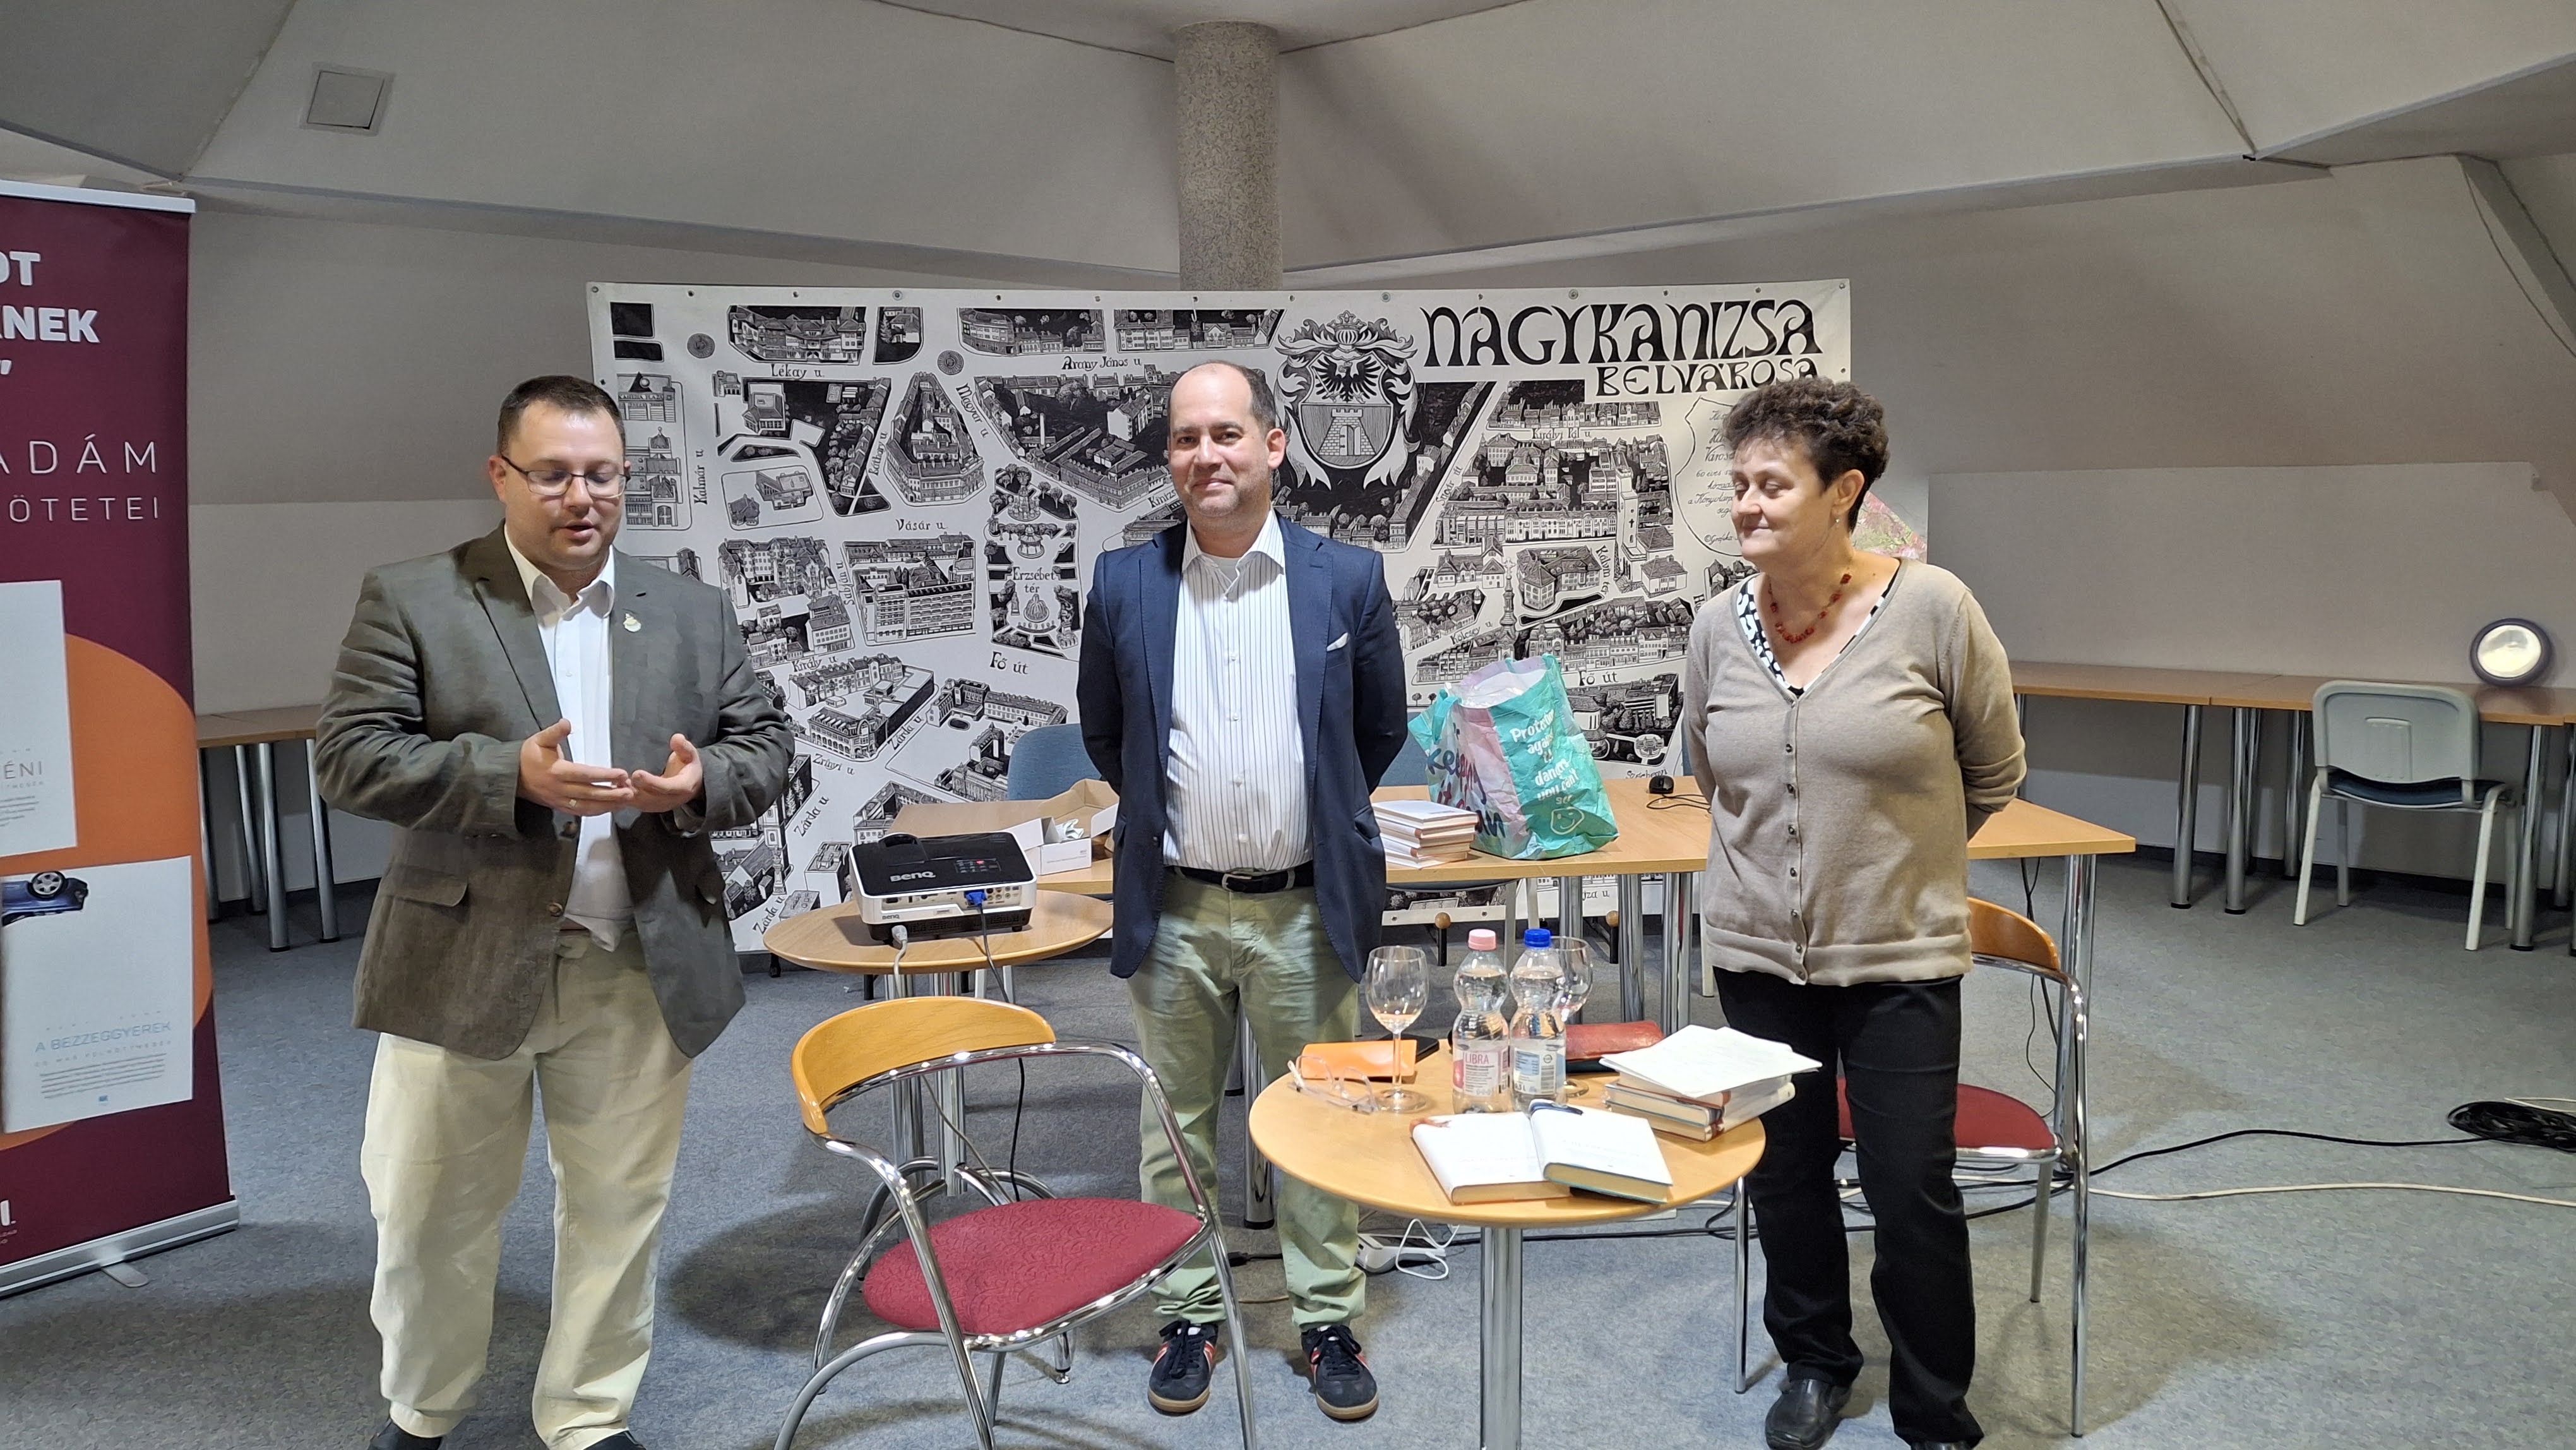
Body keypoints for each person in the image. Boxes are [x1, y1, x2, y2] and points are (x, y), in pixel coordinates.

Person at [316, 376, 792, 1450]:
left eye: (603, 475)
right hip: (462, 959)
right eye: (553, 475)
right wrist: (509, 778)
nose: (582, 498)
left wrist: (701, 783)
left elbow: (766, 745)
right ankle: (422, 1410)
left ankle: (587, 1415)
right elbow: (349, 756)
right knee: (428, 1214)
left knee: (620, 1209)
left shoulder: (690, 609)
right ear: (502, 476)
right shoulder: (417, 597)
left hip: (637, 962)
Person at [1679, 379, 2024, 1450]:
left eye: (1773, 484)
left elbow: (1993, 770)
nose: (1747, 503)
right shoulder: (1715, 627)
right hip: (1754, 956)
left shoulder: (1934, 608)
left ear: (1845, 493)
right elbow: (1712, 772)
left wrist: (1891, 865)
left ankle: (1933, 1404)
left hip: (1899, 955)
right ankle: (1817, 1361)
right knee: (1784, 1174)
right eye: (1739, 483)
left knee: (1908, 1183)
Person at [1076, 359, 1407, 1423]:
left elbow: (1377, 730)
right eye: (1185, 438)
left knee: (1320, 1117)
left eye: (1225, 434)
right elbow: (1107, 736)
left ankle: (1327, 1318)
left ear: (1273, 444)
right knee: (1174, 1125)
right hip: (1176, 905)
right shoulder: (1124, 584)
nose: (1204, 455)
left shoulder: (1346, 578)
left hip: (1307, 905)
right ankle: (1187, 1314)